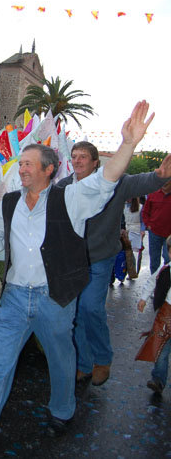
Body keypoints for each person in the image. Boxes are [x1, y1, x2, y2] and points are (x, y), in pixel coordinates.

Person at [0, 101, 159, 457]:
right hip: (13, 299)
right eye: (20, 164)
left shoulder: (69, 198)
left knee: (61, 358)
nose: (21, 169)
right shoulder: (8, 202)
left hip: (54, 297)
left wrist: (128, 144)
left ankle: (62, 410)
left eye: (28, 164)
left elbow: (106, 181)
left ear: (49, 170)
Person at [57, 140, 171, 386]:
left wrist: (160, 176)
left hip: (100, 258)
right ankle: (84, 363)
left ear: (96, 162)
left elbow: (143, 181)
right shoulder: (64, 185)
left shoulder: (116, 182)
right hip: (72, 260)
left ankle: (103, 358)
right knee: (74, 312)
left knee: (90, 308)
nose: (77, 160)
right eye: (74, 156)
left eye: (83, 157)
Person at [136, 234, 171, 395]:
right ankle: (158, 379)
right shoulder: (166, 269)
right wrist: (143, 298)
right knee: (162, 349)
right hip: (166, 313)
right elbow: (152, 280)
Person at [142, 181, 171, 273]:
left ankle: (167, 281)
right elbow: (145, 211)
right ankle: (154, 281)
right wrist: (148, 224)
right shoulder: (153, 194)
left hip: (169, 235)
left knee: (168, 259)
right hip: (155, 232)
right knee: (154, 260)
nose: (164, 183)